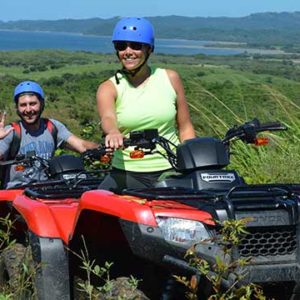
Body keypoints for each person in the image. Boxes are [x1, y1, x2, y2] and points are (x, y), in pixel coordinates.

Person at [96, 17, 195, 193]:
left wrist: (193, 162)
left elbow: (185, 126)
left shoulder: (170, 78)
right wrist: (113, 132)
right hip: (127, 173)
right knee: (94, 208)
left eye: (135, 45)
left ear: (148, 49)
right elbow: (108, 117)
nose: (128, 51)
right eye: (121, 46)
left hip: (170, 168)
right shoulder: (109, 87)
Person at [0, 80, 99, 188]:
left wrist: (103, 149)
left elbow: (81, 145)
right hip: (17, 193)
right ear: (17, 108)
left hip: (46, 192)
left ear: (41, 103)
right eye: (23, 105)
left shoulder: (52, 127)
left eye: (33, 104)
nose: (28, 110)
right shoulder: (11, 131)